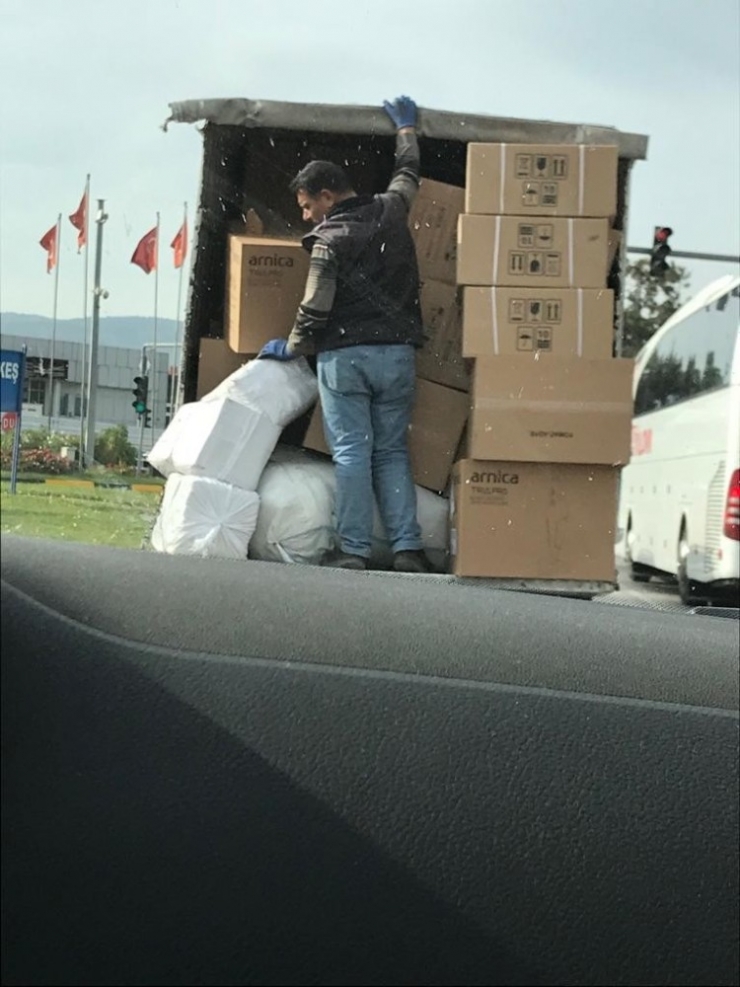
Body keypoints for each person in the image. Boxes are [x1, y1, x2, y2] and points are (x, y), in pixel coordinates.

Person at [259, 95, 431, 573]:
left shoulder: (328, 242)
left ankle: (352, 550)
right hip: (397, 355)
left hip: (347, 359)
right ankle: (407, 549)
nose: (307, 216)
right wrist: (406, 130)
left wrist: (289, 348)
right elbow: (408, 173)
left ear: (328, 197)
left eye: (307, 205)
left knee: (353, 452)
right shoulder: (391, 210)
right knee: (392, 450)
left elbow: (315, 308)